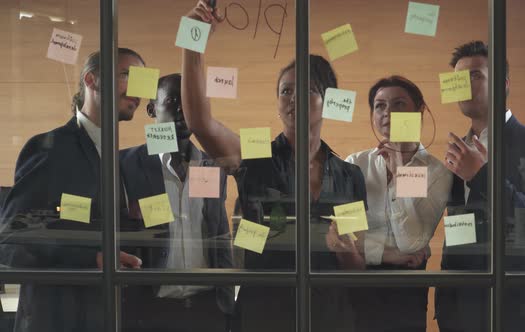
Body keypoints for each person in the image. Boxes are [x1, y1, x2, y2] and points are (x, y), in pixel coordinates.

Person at [180, 2, 367, 331]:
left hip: (330, 316)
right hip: (264, 313)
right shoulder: (255, 156)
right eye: (285, 91)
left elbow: (355, 268)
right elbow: (201, 122)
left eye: (307, 90)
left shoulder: (349, 175)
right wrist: (193, 40)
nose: (293, 98)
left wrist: (347, 249)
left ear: (330, 100)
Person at [0, 49, 145, 331]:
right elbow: (11, 243)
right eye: (128, 75)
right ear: (91, 80)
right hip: (58, 318)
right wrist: (91, 259)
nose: (139, 90)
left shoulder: (118, 158)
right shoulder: (51, 148)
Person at [435, 40, 525, 332]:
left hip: (517, 309)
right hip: (460, 311)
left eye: (475, 75)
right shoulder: (457, 150)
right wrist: (445, 299)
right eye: (459, 79)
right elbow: (457, 229)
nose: (465, 85)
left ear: (503, 84)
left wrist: (483, 176)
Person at [120, 73, 234, 332]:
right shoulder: (125, 165)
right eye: (173, 100)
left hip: (207, 309)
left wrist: (227, 304)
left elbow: (220, 234)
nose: (183, 109)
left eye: (191, 102)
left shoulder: (213, 165)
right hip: (148, 311)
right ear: (151, 109)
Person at [345, 75, 453, 332]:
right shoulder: (355, 165)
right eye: (379, 105)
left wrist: (402, 168)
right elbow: (346, 237)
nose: (388, 112)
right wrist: (389, 255)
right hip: (356, 282)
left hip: (406, 292)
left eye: (399, 104)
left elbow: (412, 242)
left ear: (420, 111)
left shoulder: (439, 173)